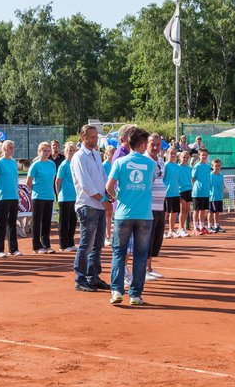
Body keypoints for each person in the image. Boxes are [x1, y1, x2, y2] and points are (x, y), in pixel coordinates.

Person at [106, 128, 156, 306]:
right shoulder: (151, 164)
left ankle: (116, 291)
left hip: (123, 214)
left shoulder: (119, 162)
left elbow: (109, 187)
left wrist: (118, 196)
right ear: (142, 144)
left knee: (119, 253)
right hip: (144, 215)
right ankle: (135, 294)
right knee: (140, 255)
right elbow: (150, 183)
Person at [71, 125, 108, 292]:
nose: (95, 139)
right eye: (91, 137)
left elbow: (103, 177)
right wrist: (104, 200)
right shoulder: (79, 157)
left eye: (96, 136)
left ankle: (93, 277)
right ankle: (80, 278)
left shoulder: (96, 154)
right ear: (83, 137)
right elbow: (86, 184)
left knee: (98, 244)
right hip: (87, 205)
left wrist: (108, 193)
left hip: (99, 204)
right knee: (86, 244)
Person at [0, 140, 20, 257]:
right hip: (3, 197)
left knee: (12, 223)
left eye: (12, 147)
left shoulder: (13, 163)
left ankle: (13, 249)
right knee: (1, 223)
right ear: (4, 149)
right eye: (9, 147)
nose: (11, 150)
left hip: (14, 196)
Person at [26, 142, 57, 253]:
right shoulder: (35, 165)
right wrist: (35, 192)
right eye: (44, 151)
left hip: (49, 196)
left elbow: (52, 179)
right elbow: (28, 182)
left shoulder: (52, 164)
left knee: (46, 222)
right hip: (38, 197)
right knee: (37, 221)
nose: (46, 153)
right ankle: (37, 247)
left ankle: (46, 245)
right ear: (39, 152)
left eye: (48, 151)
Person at [145, 134, 166, 281]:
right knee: (147, 239)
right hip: (148, 206)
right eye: (152, 144)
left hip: (160, 206)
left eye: (158, 145)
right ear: (146, 144)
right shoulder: (144, 160)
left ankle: (149, 268)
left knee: (157, 239)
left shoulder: (160, 160)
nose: (155, 147)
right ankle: (144, 270)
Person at [54, 141, 78, 252]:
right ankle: (63, 245)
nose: (71, 152)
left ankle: (70, 242)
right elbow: (58, 181)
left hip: (74, 197)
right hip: (65, 197)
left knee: (73, 221)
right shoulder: (64, 165)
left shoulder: (75, 164)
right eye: (69, 150)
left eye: (73, 150)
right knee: (64, 222)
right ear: (65, 152)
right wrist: (58, 195)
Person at [190, 148, 212, 235]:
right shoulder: (196, 166)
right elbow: (193, 178)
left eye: (206, 155)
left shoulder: (207, 166)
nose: (204, 156)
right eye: (202, 155)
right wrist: (197, 186)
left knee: (203, 210)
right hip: (197, 192)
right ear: (199, 156)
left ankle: (201, 226)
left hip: (205, 192)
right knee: (196, 210)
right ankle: (195, 228)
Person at [163, 149, 183, 239]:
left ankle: (171, 230)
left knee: (173, 212)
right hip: (167, 193)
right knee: (165, 213)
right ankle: (162, 231)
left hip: (175, 192)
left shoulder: (177, 166)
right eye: (171, 153)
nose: (173, 155)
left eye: (174, 153)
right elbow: (162, 179)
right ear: (167, 154)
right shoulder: (165, 165)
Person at [177, 150, 194, 235]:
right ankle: (180, 228)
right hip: (181, 191)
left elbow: (191, 179)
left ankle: (182, 228)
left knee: (187, 209)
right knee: (182, 210)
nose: (185, 159)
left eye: (187, 157)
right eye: (184, 157)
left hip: (188, 190)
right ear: (180, 158)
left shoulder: (189, 168)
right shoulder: (177, 167)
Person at [208, 158, 226, 233]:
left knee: (217, 212)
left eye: (219, 166)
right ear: (212, 166)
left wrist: (224, 187)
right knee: (211, 212)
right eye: (216, 166)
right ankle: (209, 226)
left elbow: (222, 183)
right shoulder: (210, 175)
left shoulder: (221, 175)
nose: (217, 167)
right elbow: (208, 185)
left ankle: (216, 226)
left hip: (219, 197)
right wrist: (210, 194)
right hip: (212, 197)